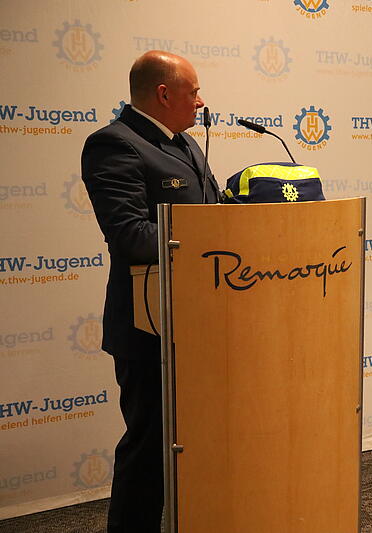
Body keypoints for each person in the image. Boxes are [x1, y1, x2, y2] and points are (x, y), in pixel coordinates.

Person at [81, 51, 220, 533]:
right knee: (149, 452)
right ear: (163, 94)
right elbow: (131, 236)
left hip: (202, 324)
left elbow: (213, 214)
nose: (200, 102)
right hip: (151, 329)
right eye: (193, 92)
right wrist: (211, 240)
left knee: (201, 447)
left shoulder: (187, 145)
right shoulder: (114, 144)